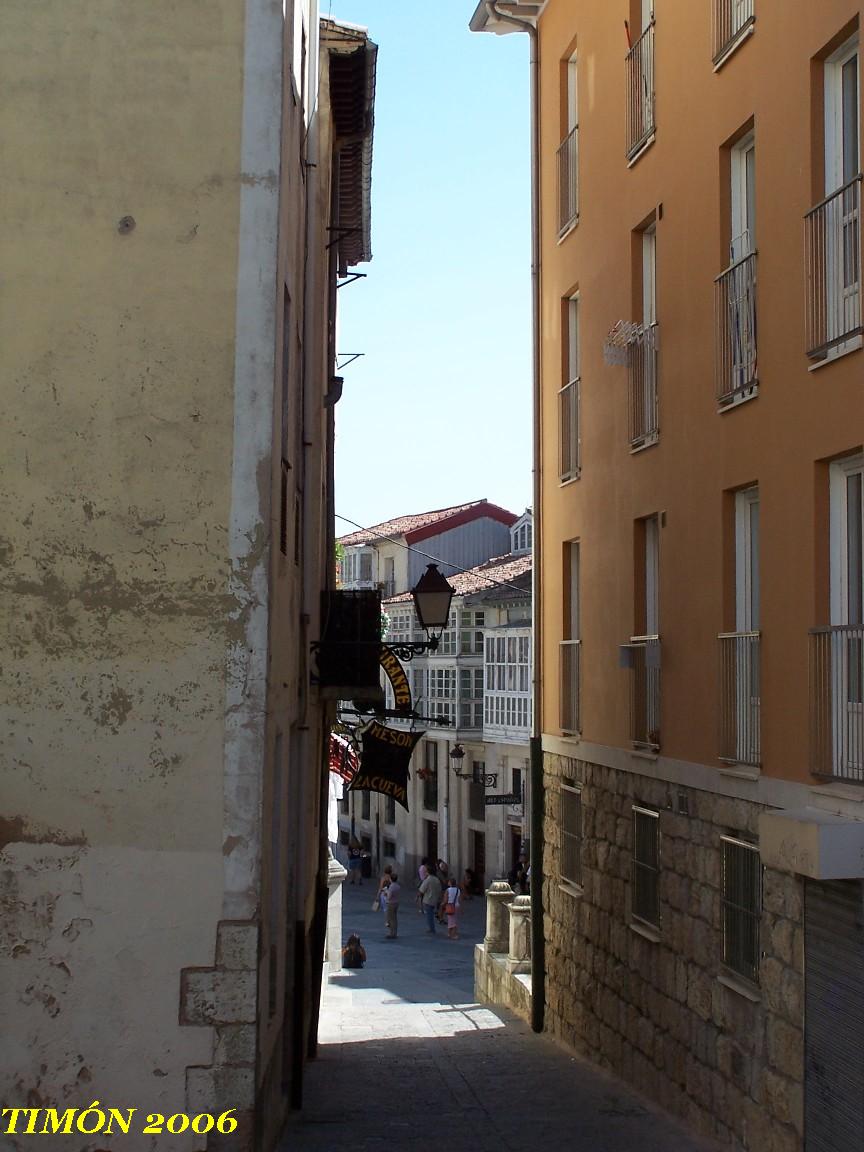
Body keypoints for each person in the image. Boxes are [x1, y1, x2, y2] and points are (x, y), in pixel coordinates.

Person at [417, 865, 443, 934]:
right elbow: (440, 889)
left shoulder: (428, 880)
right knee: (431, 913)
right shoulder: (436, 879)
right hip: (435, 899)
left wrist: (418, 897)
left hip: (428, 899)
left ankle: (431, 928)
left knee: (429, 915)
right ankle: (431, 928)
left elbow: (421, 890)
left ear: (428, 872)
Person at [384, 873, 401, 939]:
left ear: (391, 879)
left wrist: (386, 893)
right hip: (396, 903)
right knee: (394, 919)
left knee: (391, 919)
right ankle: (395, 932)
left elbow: (389, 896)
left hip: (391, 903)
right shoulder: (398, 886)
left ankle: (392, 933)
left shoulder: (391, 887)